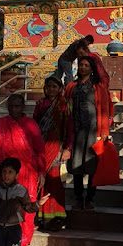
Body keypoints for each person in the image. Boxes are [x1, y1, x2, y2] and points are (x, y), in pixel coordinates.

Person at [0, 94, 46, 246]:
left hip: (26, 173)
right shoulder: (1, 125)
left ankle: (21, 244)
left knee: (24, 210)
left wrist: (41, 172)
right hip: (3, 174)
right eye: (11, 106)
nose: (14, 110)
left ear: (23, 107)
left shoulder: (31, 125)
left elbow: (40, 151)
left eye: (17, 106)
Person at [65, 56, 111, 210]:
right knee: (76, 166)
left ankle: (90, 198)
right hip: (77, 131)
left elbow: (104, 110)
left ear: (92, 69)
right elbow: (65, 106)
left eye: (86, 65)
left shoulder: (98, 87)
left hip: (93, 131)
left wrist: (104, 131)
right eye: (81, 65)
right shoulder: (72, 86)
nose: (83, 67)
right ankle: (78, 198)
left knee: (93, 166)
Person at [33, 75, 73, 231]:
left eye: (54, 87)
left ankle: (57, 217)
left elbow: (70, 128)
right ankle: (40, 216)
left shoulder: (65, 105)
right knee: (41, 182)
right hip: (41, 147)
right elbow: (34, 125)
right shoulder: (40, 104)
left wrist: (67, 148)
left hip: (57, 148)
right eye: (48, 86)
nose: (51, 90)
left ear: (60, 89)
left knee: (55, 182)